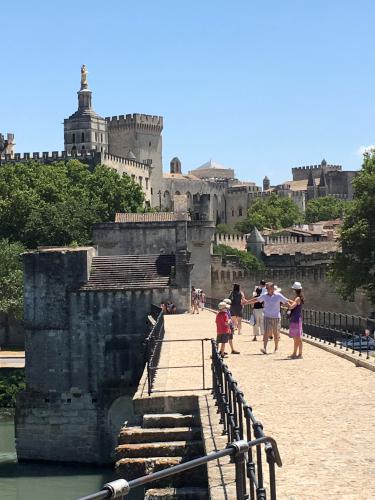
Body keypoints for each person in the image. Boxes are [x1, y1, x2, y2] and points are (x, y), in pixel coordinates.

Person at [246, 282, 289, 354]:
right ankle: (265, 348)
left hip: (276, 317)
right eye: (266, 288)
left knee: (276, 333)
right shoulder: (264, 296)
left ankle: (276, 348)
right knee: (266, 333)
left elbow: (286, 301)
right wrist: (247, 302)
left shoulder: (278, 295)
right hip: (267, 317)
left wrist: (292, 306)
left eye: (268, 288)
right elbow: (256, 299)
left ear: (272, 288)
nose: (266, 289)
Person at [288, 282, 304, 358]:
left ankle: (295, 353)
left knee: (296, 337)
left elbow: (292, 307)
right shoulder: (299, 298)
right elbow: (295, 304)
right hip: (297, 318)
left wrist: (288, 304)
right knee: (298, 337)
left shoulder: (297, 298)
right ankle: (299, 354)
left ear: (295, 290)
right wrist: (289, 301)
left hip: (295, 319)